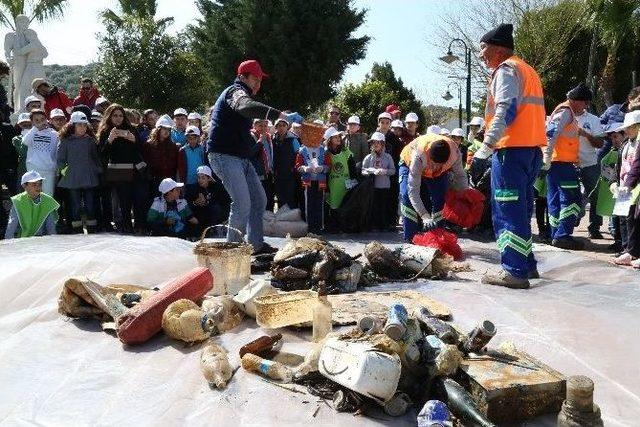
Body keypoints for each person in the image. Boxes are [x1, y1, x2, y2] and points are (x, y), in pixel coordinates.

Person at [477, 23, 547, 289]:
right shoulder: (527, 70)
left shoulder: (505, 70)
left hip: (510, 152)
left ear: (497, 49)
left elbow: (506, 109)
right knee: (521, 209)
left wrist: (485, 148)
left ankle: (513, 271)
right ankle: (526, 265)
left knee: (507, 210)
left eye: (483, 49)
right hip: (530, 151)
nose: (482, 55)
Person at [206, 59, 294, 254]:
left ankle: (256, 245)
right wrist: (276, 113)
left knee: (259, 200)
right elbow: (244, 105)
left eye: (260, 80)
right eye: (255, 78)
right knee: (242, 203)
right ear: (242, 77)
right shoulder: (234, 91)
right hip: (224, 156)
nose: (258, 83)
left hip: (240, 158)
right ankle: (232, 252)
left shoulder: (242, 93)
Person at [543, 85, 592, 250]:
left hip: (556, 163)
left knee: (555, 199)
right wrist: (547, 156)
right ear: (577, 101)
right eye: (585, 103)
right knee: (572, 199)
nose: (585, 107)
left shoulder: (564, 112)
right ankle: (563, 235)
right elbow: (552, 134)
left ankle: (555, 234)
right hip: (561, 164)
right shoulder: (565, 111)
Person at [399, 133, 467, 242]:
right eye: (434, 163)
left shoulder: (455, 154)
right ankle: (411, 239)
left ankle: (438, 238)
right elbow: (413, 191)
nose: (436, 167)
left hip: (438, 173)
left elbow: (460, 176)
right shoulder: (418, 156)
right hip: (408, 164)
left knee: (441, 198)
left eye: (441, 165)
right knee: (407, 197)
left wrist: (466, 196)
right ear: (429, 156)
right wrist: (424, 216)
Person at [98, 103, 146, 234]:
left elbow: (141, 150)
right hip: (117, 169)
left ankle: (139, 225)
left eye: (120, 115)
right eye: (115, 115)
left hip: (135, 169)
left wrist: (134, 140)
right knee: (123, 201)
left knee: (137, 198)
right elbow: (102, 154)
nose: (118, 118)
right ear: (109, 116)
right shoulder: (105, 131)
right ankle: (126, 226)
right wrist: (109, 140)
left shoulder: (131, 129)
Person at [566, 84, 605, 239]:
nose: (571, 102)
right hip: (567, 163)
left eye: (576, 100)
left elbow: (600, 143)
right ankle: (569, 223)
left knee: (595, 195)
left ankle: (594, 227)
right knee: (570, 195)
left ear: (585, 103)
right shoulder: (565, 115)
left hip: (589, 163)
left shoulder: (593, 120)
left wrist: (585, 134)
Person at [56, 111, 100, 233]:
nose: (83, 127)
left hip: (89, 177)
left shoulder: (90, 141)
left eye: (85, 125)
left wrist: (96, 170)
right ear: (72, 126)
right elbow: (60, 160)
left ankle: (92, 228)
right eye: (79, 125)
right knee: (75, 205)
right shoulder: (65, 141)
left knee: (90, 205)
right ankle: (77, 229)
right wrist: (66, 172)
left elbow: (95, 158)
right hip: (72, 179)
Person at [613, 110, 640, 267]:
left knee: (636, 219)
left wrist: (628, 184)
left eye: (630, 127)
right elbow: (620, 164)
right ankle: (629, 250)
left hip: (633, 186)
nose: (626, 130)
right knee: (626, 219)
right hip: (625, 186)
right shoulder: (626, 144)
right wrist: (614, 182)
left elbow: (637, 166)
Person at [296, 127, 333, 233]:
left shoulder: (324, 150)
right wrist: (304, 168)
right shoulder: (302, 150)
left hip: (320, 181)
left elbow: (329, 165)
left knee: (319, 204)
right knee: (309, 204)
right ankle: (310, 227)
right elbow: (297, 165)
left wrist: (322, 168)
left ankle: (319, 226)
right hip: (308, 181)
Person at [595, 122, 625, 252]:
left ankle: (625, 244)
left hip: (627, 189)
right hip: (615, 191)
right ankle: (618, 240)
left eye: (616, 137)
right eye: (611, 138)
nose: (613, 140)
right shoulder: (613, 151)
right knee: (616, 216)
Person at [5, 170, 58, 239]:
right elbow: (12, 225)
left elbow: (51, 227)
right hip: (23, 240)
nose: (38, 187)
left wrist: (54, 243)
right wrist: (8, 244)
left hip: (41, 240)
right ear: (24, 186)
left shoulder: (47, 200)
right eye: (34, 184)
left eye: (40, 184)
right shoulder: (18, 201)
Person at [362, 132, 396, 230]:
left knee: (384, 206)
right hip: (372, 187)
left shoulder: (388, 157)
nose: (376, 144)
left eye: (378, 142)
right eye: (374, 142)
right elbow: (363, 170)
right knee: (373, 206)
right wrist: (371, 171)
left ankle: (384, 225)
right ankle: (373, 225)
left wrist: (384, 171)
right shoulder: (368, 157)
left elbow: (393, 171)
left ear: (382, 144)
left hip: (384, 186)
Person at [326, 127, 357, 230]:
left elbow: (352, 166)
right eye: (335, 137)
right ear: (330, 139)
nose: (338, 138)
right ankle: (334, 227)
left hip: (345, 184)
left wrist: (354, 180)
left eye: (339, 136)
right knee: (333, 206)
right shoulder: (326, 153)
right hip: (333, 185)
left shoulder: (345, 151)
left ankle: (344, 226)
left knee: (345, 205)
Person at [22, 109, 58, 196]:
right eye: (36, 120)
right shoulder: (30, 132)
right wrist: (35, 128)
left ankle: (48, 210)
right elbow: (25, 142)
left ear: (46, 119)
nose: (40, 122)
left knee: (48, 195)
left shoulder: (54, 134)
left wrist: (55, 167)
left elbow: (55, 152)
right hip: (33, 169)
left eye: (42, 119)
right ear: (32, 122)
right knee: (33, 195)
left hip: (49, 170)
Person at [143, 114, 179, 198]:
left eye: (168, 129)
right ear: (158, 129)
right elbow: (145, 163)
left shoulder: (173, 146)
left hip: (170, 180)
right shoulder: (149, 145)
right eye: (164, 128)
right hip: (154, 181)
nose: (166, 131)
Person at [378, 111, 402, 229]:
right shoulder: (375, 136)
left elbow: (398, 155)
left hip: (391, 172)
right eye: (382, 122)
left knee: (391, 196)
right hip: (377, 172)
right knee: (378, 197)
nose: (384, 125)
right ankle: (378, 221)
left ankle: (391, 221)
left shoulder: (394, 138)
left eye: (387, 123)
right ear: (379, 123)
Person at [272, 117, 301, 210]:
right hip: (278, 174)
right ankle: (281, 220)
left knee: (291, 198)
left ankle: (292, 220)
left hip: (291, 174)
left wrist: (294, 169)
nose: (281, 127)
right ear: (276, 127)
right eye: (279, 125)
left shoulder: (293, 140)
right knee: (280, 198)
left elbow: (299, 155)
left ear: (287, 127)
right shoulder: (273, 140)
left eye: (284, 125)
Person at [186, 165, 225, 233]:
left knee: (216, 208)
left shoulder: (216, 188)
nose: (200, 180)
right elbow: (186, 205)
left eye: (203, 178)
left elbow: (222, 202)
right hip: (198, 216)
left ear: (209, 178)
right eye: (199, 178)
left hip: (212, 215)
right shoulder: (192, 189)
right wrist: (195, 203)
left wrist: (207, 202)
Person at [251, 118, 275, 211]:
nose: (263, 128)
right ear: (255, 126)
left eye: (265, 125)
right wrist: (260, 141)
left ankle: (269, 221)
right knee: (260, 201)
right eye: (260, 125)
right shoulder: (251, 136)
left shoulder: (268, 137)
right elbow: (251, 154)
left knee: (270, 199)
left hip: (268, 173)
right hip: (258, 174)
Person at [178, 125, 206, 193]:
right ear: (186, 138)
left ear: (198, 138)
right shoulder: (183, 150)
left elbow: (204, 163)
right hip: (188, 182)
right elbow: (180, 168)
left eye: (194, 138)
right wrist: (182, 183)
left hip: (200, 181)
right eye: (189, 138)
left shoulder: (202, 149)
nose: (192, 140)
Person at [12, 113, 31, 189]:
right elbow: (23, 152)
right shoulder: (16, 139)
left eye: (28, 123)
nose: (26, 125)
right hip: (23, 168)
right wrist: (26, 136)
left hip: (37, 167)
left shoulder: (38, 136)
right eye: (23, 123)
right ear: (19, 125)